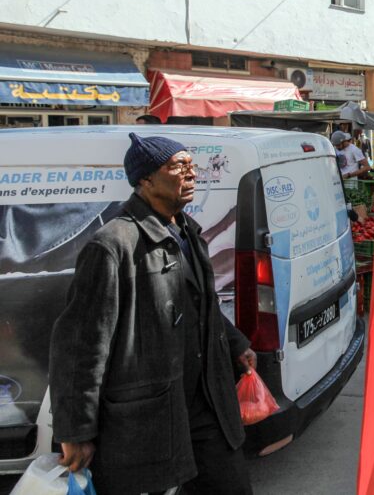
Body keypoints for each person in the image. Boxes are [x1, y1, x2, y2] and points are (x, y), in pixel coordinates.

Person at [48, 132, 255, 495]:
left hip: (207, 403)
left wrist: (236, 343)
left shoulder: (188, 230)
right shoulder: (113, 245)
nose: (191, 175)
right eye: (178, 167)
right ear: (145, 179)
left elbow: (201, 301)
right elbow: (81, 347)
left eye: (192, 166)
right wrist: (76, 431)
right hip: (150, 415)